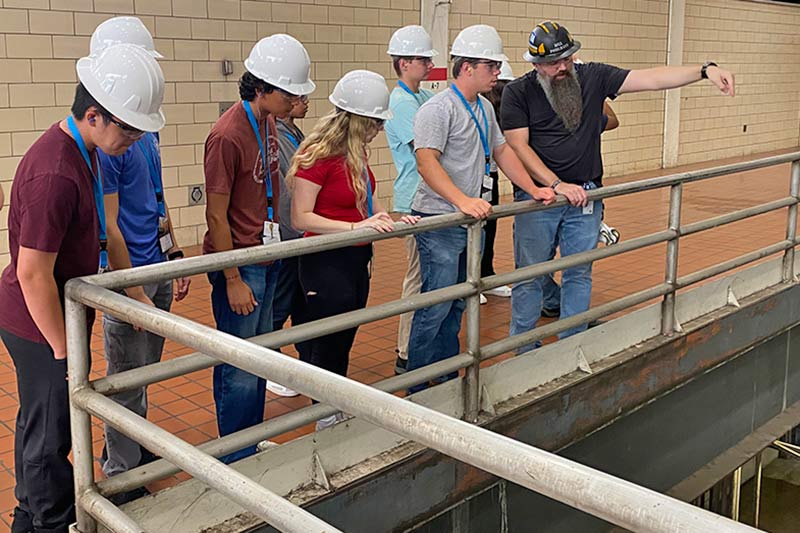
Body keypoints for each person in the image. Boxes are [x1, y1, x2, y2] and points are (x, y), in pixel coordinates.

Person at [0, 43, 165, 533]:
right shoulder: (55, 171)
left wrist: (133, 294)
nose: (133, 140)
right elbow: (31, 272)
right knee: (50, 433)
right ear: (93, 115)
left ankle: (28, 516)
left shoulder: (82, 149)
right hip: (37, 320)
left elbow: (103, 232)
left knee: (38, 423)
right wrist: (63, 351)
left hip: (47, 313)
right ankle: (50, 521)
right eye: (129, 128)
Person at [502, 20, 734, 351]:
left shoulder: (592, 77)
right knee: (529, 277)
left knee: (578, 274)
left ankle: (572, 346)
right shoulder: (519, 92)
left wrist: (704, 70)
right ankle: (523, 349)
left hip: (585, 195)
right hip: (539, 199)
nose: (563, 67)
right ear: (535, 64)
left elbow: (651, 78)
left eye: (567, 58)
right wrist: (556, 184)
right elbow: (518, 146)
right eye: (554, 63)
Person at [406, 25, 555, 393]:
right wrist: (462, 200)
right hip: (440, 218)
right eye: (490, 67)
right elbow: (426, 162)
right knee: (436, 304)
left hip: (466, 218)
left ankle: (444, 376)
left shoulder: (484, 107)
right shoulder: (438, 109)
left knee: (457, 303)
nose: (496, 74)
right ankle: (420, 384)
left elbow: (503, 151)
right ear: (467, 67)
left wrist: (533, 188)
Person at [89, 17, 190, 503]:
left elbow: (156, 198)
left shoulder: (144, 130)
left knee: (143, 376)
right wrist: (134, 296)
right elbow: (109, 229)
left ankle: (136, 451)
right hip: (129, 281)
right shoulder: (109, 142)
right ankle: (119, 475)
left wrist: (174, 257)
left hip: (156, 268)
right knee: (126, 383)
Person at [203, 34, 315, 463]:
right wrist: (232, 277)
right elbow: (215, 215)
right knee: (238, 364)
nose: (296, 100)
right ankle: (234, 452)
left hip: (268, 256)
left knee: (260, 358)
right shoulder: (227, 136)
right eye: (290, 93)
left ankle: (247, 443)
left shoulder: (268, 122)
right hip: (242, 262)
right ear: (264, 87)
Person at [289, 70, 419, 429]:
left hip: (355, 256)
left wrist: (387, 219)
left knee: (344, 336)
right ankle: (324, 413)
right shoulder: (317, 156)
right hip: (325, 258)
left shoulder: (356, 152)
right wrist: (353, 228)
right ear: (357, 120)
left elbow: (355, 208)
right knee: (327, 341)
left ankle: (334, 403)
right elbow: (301, 217)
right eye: (374, 123)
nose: (379, 130)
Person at [384, 25, 437, 374]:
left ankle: (423, 343)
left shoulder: (420, 96)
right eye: (423, 59)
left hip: (430, 196)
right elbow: (428, 147)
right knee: (417, 275)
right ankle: (405, 350)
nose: (429, 64)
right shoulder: (401, 102)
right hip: (413, 198)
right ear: (404, 63)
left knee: (432, 276)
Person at [264, 94, 309, 398]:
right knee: (278, 305)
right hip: (287, 234)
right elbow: (284, 192)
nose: (306, 102)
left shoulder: (295, 133)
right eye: (301, 98)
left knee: (299, 302)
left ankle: (302, 362)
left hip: (300, 236)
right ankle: (271, 366)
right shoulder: (274, 137)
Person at [479, 61, 515, 300]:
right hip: (475, 176)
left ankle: (486, 274)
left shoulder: (503, 110)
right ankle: (470, 279)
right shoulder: (479, 107)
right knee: (476, 228)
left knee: (490, 225)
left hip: (490, 174)